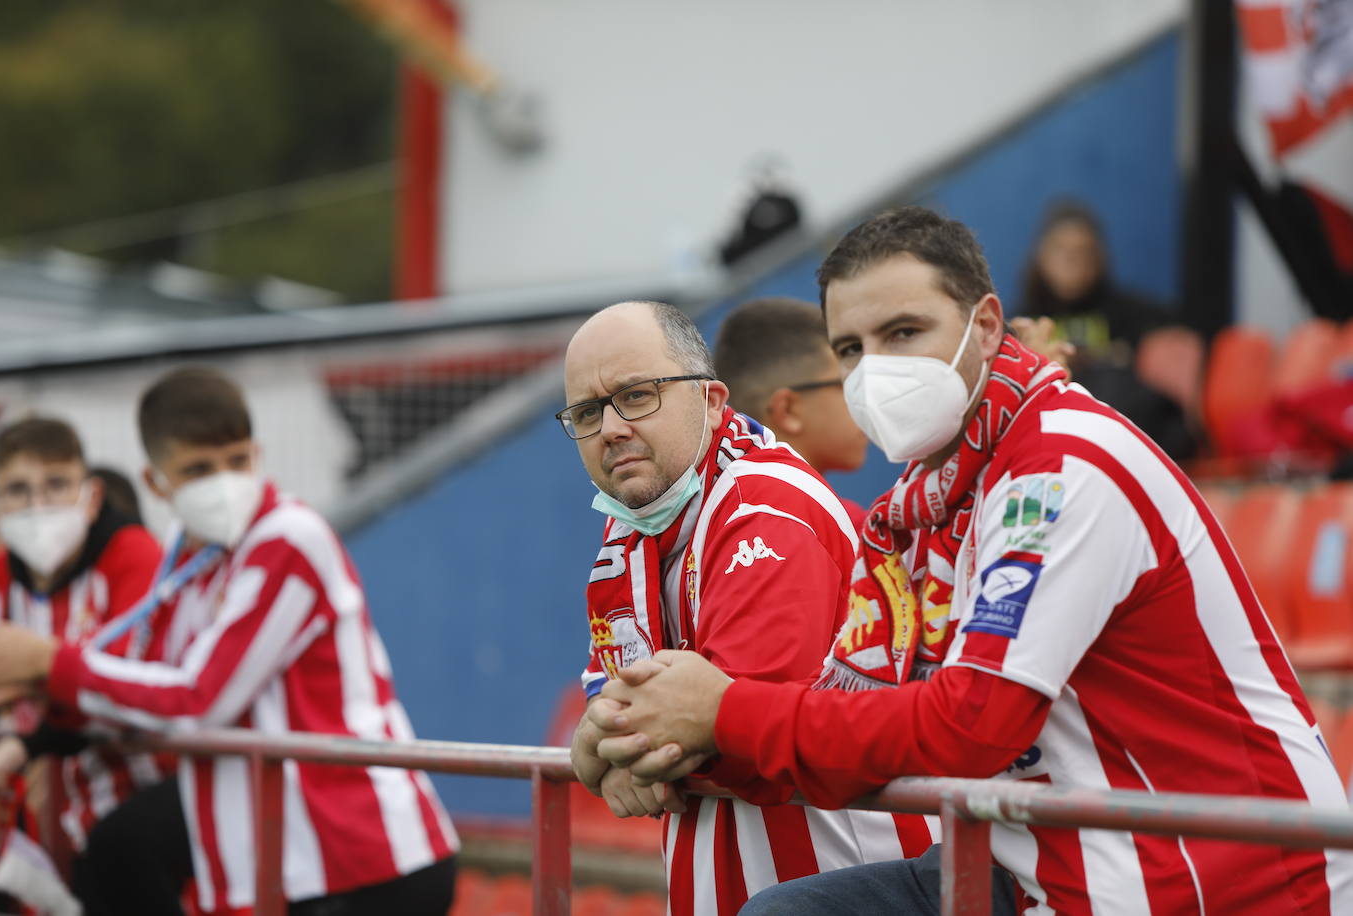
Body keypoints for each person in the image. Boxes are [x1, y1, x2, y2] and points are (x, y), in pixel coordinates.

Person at [588, 208, 1353, 914]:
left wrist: (721, 711)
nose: (874, 370)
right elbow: (856, 719)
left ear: (986, 326)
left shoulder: (1058, 466)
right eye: (850, 349)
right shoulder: (924, 501)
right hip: (1048, 856)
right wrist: (641, 743)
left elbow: (971, 724)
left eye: (904, 332)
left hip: (1216, 875)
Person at [0, 367, 460, 916]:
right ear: (157, 482)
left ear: (258, 454)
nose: (223, 482)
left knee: (122, 849)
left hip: (365, 855)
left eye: (236, 461)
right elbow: (143, 679)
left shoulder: (287, 539)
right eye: (198, 468)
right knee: (116, 852)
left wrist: (49, 662)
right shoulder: (189, 560)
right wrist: (28, 743)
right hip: (289, 857)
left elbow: (197, 698)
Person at [562, 301, 939, 916]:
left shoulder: (769, 508)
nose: (610, 427)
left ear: (712, 402)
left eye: (636, 396)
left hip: (847, 884)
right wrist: (598, 737)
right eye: (586, 411)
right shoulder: (629, 537)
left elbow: (733, 728)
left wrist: (602, 745)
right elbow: (620, 704)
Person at [0, 417, 164, 913]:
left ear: (91, 496)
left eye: (56, 485)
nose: (38, 506)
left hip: (150, 806)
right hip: (53, 823)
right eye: (18, 490)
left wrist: (37, 677)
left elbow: (127, 687)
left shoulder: (134, 557)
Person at [1019, 200, 1203, 459]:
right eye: (1061, 251)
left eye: (1083, 252)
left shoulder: (1132, 313)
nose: (1072, 262)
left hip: (1125, 439)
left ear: (1099, 259)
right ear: (1041, 256)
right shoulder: (1023, 322)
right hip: (1053, 442)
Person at [713, 297, 871, 525]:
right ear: (788, 410)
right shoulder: (838, 524)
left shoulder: (719, 518)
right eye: (848, 384)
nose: (864, 400)